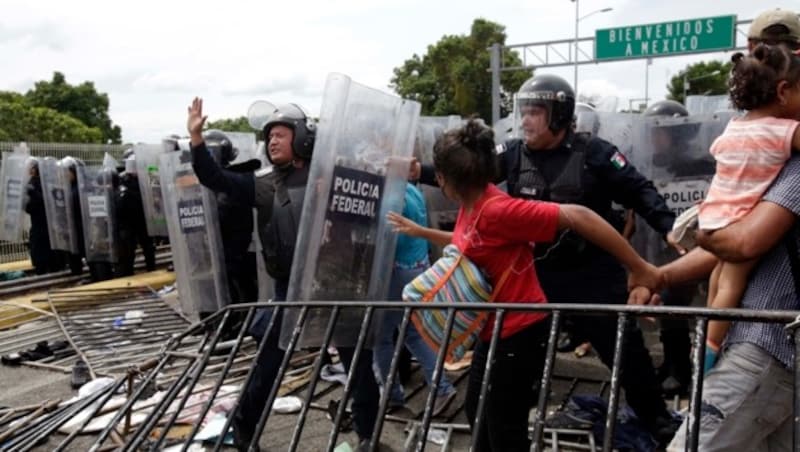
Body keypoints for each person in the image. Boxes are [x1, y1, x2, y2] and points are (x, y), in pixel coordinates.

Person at [409, 73, 677, 444]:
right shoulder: (515, 153)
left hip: (592, 273)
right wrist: (418, 172)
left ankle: (655, 416)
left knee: (624, 349)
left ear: (560, 115)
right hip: (538, 272)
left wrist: (669, 229)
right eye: (524, 111)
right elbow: (468, 174)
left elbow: (639, 190)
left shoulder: (596, 153)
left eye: (536, 111)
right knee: (518, 370)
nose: (526, 120)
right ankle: (522, 396)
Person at [186, 98, 380, 451]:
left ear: (303, 138)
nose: (273, 141)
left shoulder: (333, 177)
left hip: (335, 285)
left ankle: (368, 434)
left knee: (359, 365)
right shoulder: (263, 185)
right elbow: (214, 178)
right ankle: (244, 431)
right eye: (270, 136)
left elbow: (368, 212)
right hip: (288, 288)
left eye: (280, 134)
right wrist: (196, 140)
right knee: (268, 364)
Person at [684, 45, 800, 371]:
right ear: (782, 91)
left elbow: (718, 152)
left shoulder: (734, 126)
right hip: (740, 222)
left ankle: (704, 330)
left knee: (717, 279)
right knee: (732, 284)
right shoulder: (783, 131)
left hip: (714, 216)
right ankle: (709, 351)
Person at [373, 182, 457, 416]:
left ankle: (391, 395)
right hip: (416, 266)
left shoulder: (390, 193)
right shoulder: (410, 189)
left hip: (397, 270)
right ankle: (441, 387)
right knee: (412, 331)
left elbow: (392, 240)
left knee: (379, 336)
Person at [115, 154, 157, 277]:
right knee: (134, 249)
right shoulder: (128, 182)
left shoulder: (132, 181)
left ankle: (149, 269)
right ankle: (139, 270)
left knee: (146, 247)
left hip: (140, 219)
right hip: (133, 220)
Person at [25, 160, 65, 274]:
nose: (29, 170)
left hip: (41, 222)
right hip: (46, 222)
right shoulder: (45, 182)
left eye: (32, 168)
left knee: (41, 248)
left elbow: (36, 204)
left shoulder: (33, 185)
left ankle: (45, 268)